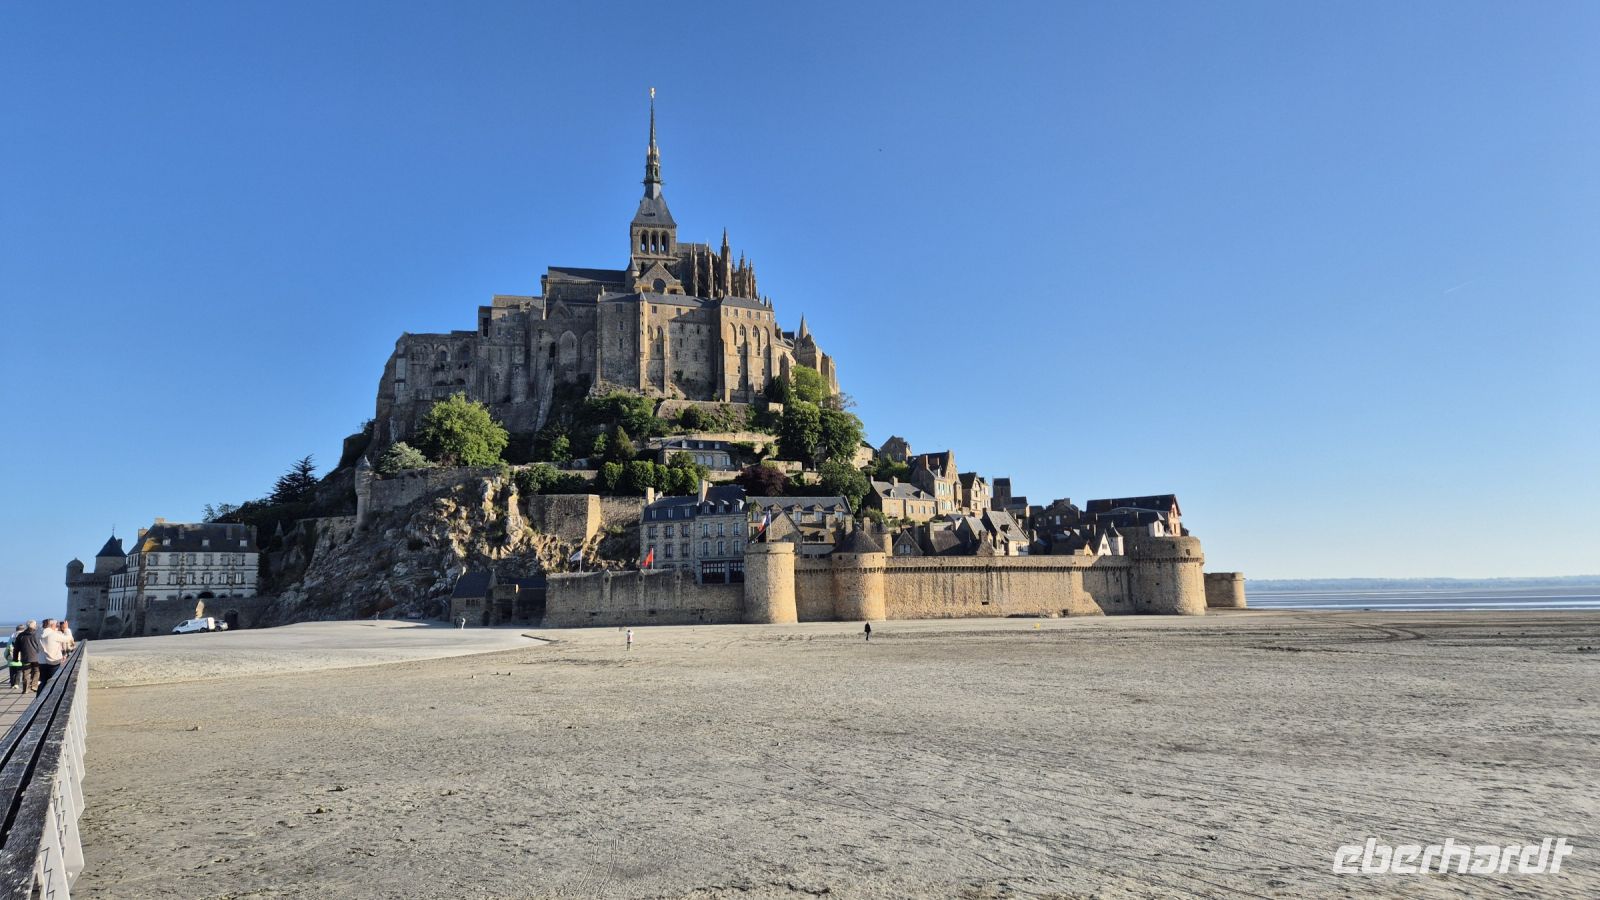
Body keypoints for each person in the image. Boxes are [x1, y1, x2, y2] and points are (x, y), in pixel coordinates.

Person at [38, 619, 68, 689]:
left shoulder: (38, 633)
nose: (56, 625)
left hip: (41, 661)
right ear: (52, 625)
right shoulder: (53, 634)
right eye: (55, 624)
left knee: (43, 681)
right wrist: (66, 629)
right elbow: (68, 639)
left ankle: (39, 697)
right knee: (53, 681)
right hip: (53, 661)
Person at [16, 621, 40, 693]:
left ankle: (25, 689)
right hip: (36, 657)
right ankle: (34, 685)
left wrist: (15, 658)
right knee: (37, 671)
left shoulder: (21, 635)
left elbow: (16, 648)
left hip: (25, 657)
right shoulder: (37, 634)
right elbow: (40, 645)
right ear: (34, 626)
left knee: (26, 673)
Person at [5, 626, 22, 690]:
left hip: (11, 661)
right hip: (19, 661)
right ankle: (16, 684)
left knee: (12, 673)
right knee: (18, 673)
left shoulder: (10, 644)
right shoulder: (21, 645)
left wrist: (7, 658)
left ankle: (12, 684)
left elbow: (6, 653)